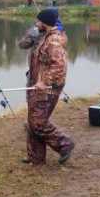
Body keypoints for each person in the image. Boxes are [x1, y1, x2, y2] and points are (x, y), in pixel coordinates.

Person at [19, 9, 74, 165]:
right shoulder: (44, 37)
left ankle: (64, 144)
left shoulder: (54, 41)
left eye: (38, 21)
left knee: (38, 122)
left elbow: (59, 66)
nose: (36, 24)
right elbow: (22, 44)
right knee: (33, 121)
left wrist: (44, 82)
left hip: (47, 87)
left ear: (45, 23)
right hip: (36, 84)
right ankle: (36, 157)